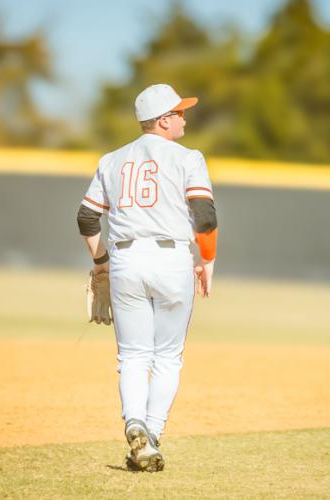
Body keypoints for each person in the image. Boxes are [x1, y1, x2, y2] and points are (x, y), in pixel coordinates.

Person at [76, 83, 218, 472]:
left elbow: (87, 218)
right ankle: (151, 433)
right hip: (172, 259)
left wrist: (102, 263)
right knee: (168, 357)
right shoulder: (188, 158)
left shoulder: (111, 159)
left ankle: (134, 422)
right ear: (163, 120)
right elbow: (204, 216)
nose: (185, 117)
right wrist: (207, 260)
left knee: (133, 356)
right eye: (180, 111)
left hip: (125, 259)